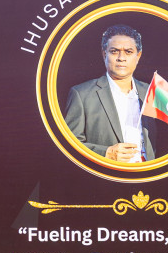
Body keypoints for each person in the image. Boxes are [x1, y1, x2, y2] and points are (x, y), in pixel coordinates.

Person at [64, 24, 154, 163]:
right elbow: (68, 145)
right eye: (114, 51)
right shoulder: (81, 94)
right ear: (104, 54)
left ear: (138, 56)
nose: (121, 57)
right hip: (104, 180)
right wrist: (106, 153)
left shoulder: (150, 92)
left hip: (146, 179)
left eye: (128, 52)